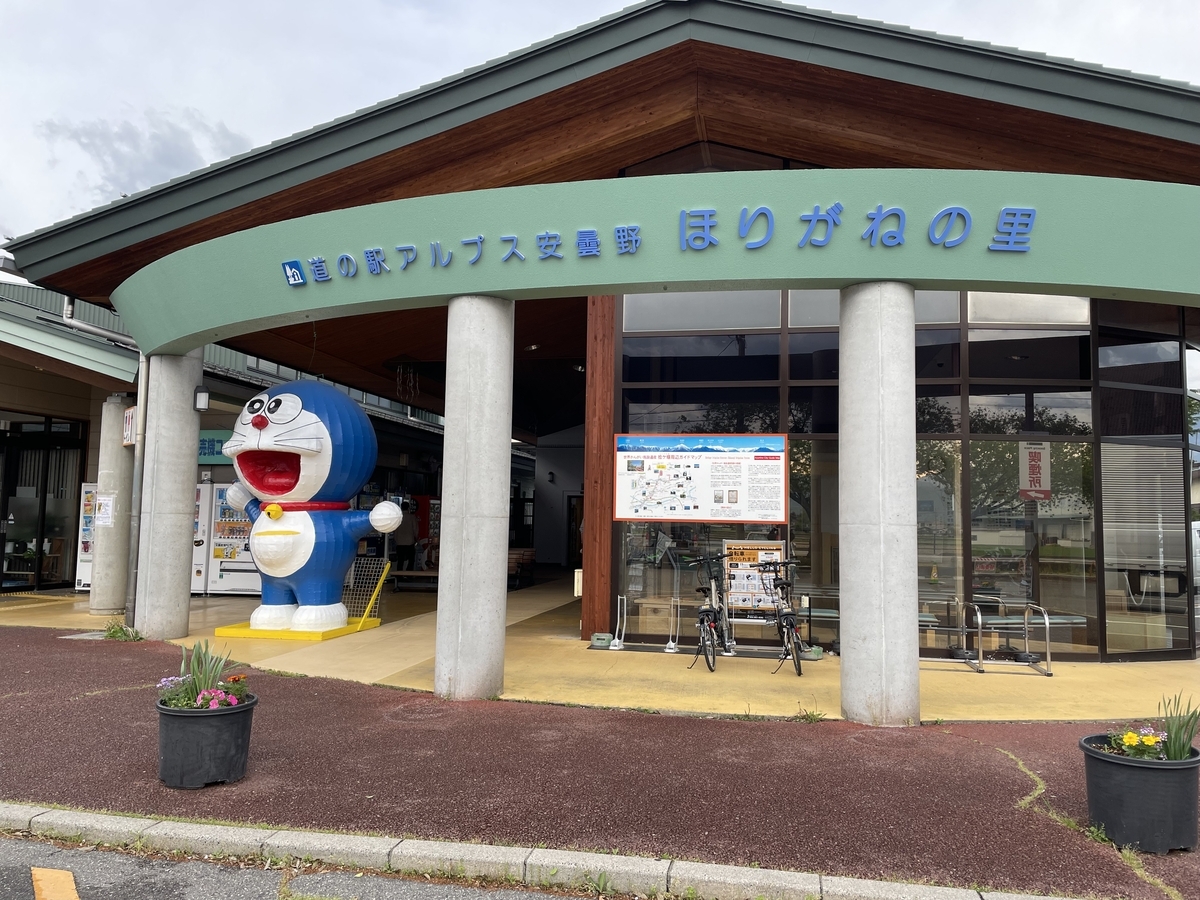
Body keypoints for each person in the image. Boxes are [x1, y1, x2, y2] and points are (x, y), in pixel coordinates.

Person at [392, 500, 420, 570]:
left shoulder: (398, 518)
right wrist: (416, 538)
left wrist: (396, 539)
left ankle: (399, 574)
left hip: (399, 542)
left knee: (400, 560)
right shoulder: (412, 517)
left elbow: (394, 529)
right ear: (408, 508)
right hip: (410, 542)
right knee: (411, 560)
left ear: (401, 508)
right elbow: (415, 529)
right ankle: (408, 573)